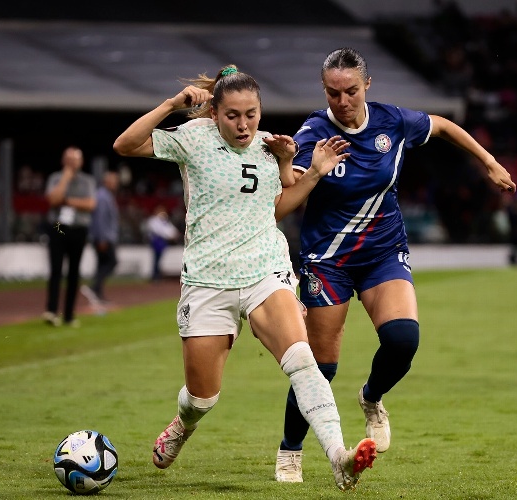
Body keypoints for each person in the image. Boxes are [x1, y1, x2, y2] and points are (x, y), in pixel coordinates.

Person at [112, 64, 378, 492]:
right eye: (233, 115)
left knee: (302, 361)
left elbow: (275, 209)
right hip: (207, 281)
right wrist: (170, 106)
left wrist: (308, 171)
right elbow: (125, 145)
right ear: (215, 112)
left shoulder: (270, 148)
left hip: (264, 271)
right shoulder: (193, 140)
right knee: (203, 397)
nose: (243, 124)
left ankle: (339, 457)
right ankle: (183, 424)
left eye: (251, 114)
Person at [273, 47, 516, 483]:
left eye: (350, 91)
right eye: (333, 93)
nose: (342, 102)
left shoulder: (393, 121)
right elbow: (288, 189)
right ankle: (290, 450)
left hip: (383, 250)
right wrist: (292, 162)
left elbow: (442, 125)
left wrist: (488, 161)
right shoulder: (313, 132)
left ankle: (371, 397)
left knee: (403, 339)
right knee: (319, 366)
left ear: (367, 85)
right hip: (328, 260)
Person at [42, 146, 96, 327]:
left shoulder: (87, 181)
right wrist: (65, 178)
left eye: (75, 159)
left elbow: (90, 204)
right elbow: (52, 200)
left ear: (81, 162)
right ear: (63, 161)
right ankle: (51, 311)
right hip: (58, 226)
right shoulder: (56, 178)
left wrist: (67, 201)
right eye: (69, 159)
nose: (72, 163)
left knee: (74, 272)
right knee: (55, 269)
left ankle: (69, 314)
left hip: (78, 228)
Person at [81, 170, 120, 313]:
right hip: (104, 238)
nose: (116, 184)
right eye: (113, 181)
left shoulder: (105, 196)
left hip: (103, 237)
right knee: (111, 261)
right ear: (107, 182)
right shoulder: (103, 197)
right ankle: (94, 287)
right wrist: (102, 238)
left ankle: (97, 292)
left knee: (102, 264)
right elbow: (100, 220)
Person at [146, 205, 180, 281]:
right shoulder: (153, 220)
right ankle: (154, 276)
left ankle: (157, 275)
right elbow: (159, 231)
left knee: (159, 259)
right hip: (156, 241)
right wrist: (169, 236)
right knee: (156, 259)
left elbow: (170, 229)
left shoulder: (164, 221)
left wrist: (175, 234)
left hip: (162, 242)